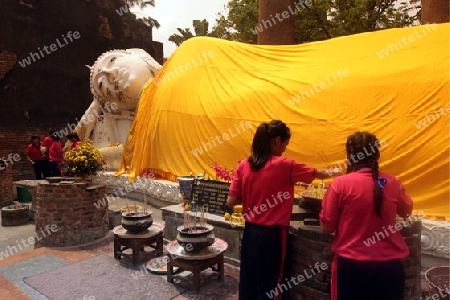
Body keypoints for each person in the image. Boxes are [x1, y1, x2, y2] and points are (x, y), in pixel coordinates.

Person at [226, 120, 341, 300]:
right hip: (273, 235)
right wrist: (340, 170)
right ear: (277, 141)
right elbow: (321, 174)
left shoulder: (244, 165)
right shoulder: (285, 165)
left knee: (249, 278)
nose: (285, 149)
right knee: (272, 283)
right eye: (285, 144)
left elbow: (231, 201)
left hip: (250, 232)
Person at [319, 132, 413, 300]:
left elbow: (327, 227)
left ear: (350, 155)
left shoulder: (340, 184)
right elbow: (406, 212)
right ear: (377, 154)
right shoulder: (392, 182)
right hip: (390, 269)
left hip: (352, 267)